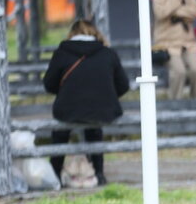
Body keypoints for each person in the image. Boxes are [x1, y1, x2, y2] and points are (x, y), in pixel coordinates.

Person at [42, 19, 130, 186]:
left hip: (68, 109)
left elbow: (49, 84)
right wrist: (105, 96)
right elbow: (123, 85)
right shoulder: (107, 53)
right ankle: (98, 173)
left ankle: (55, 173)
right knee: (94, 129)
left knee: (60, 132)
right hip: (102, 109)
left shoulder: (62, 52)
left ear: (72, 34)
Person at [153, 0, 196, 99]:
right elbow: (161, 13)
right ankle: (175, 104)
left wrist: (175, 11)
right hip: (168, 44)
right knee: (179, 71)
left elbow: (195, 11)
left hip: (188, 43)